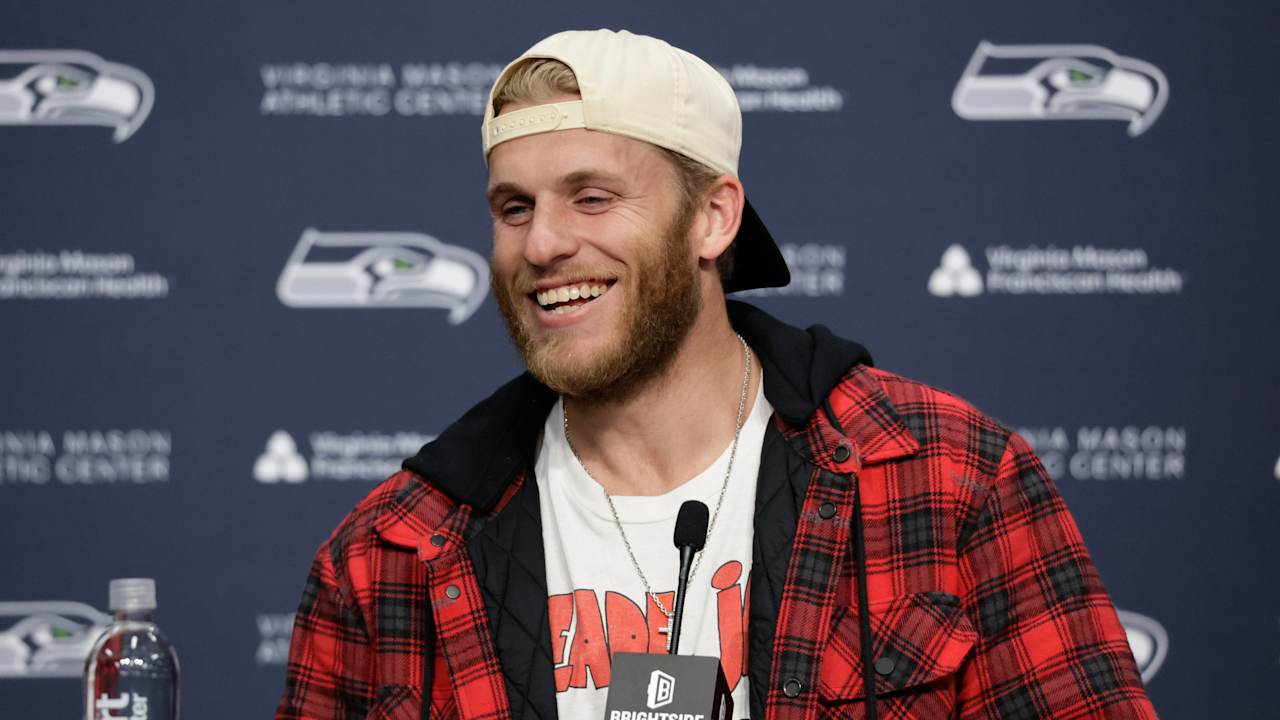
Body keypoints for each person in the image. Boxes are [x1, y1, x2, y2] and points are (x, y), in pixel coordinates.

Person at [276, 29, 1157, 720]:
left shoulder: (949, 480)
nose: (541, 244)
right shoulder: (387, 557)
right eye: (515, 207)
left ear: (713, 217)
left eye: (592, 197)